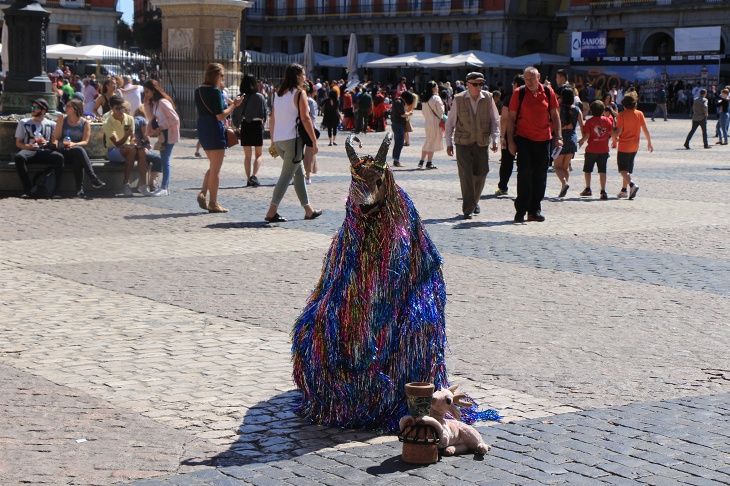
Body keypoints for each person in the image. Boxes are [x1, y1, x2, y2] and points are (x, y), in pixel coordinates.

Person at [264, 63, 322, 223]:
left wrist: (273, 140)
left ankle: (308, 210)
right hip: (293, 141)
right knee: (286, 176)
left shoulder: (279, 94)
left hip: (280, 140)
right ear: (297, 76)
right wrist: (314, 140)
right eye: (303, 74)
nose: (305, 77)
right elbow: (305, 118)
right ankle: (271, 211)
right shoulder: (299, 93)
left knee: (299, 174)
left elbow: (273, 118)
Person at [506, 66, 562, 223]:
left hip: (544, 139)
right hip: (524, 138)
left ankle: (534, 210)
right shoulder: (519, 93)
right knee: (524, 174)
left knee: (540, 176)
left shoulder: (548, 92)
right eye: (526, 79)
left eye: (532, 79)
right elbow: (511, 118)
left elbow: (555, 115)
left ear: (539, 78)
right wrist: (510, 141)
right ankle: (521, 210)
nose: (529, 82)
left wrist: (558, 136)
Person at [444, 72, 500, 220]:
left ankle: (474, 201)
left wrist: (495, 139)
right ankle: (468, 208)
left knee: (482, 173)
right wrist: (448, 143)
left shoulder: (488, 98)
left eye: (481, 84)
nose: (479, 87)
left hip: (481, 142)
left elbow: (495, 120)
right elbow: (449, 123)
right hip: (463, 143)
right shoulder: (459, 99)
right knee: (466, 175)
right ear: (467, 84)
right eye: (475, 84)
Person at [195, 62, 243, 213]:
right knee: (216, 169)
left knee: (213, 165)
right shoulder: (215, 92)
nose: (223, 78)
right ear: (215, 75)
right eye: (222, 75)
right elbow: (221, 115)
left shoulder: (198, 91)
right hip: (214, 128)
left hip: (202, 127)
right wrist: (234, 105)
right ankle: (213, 203)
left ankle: (203, 193)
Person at [14, 98, 65, 198]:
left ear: (43, 111)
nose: (32, 109)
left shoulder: (52, 124)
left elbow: (55, 144)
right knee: (19, 157)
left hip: (44, 151)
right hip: (29, 151)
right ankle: (28, 190)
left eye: (35, 107)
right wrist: (28, 146)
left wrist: (47, 143)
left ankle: (56, 190)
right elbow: (18, 143)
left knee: (59, 157)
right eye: (32, 107)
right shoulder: (23, 122)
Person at [53, 99, 105, 197]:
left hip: (75, 151)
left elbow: (85, 142)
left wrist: (73, 144)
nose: (66, 108)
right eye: (66, 106)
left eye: (69, 106)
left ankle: (79, 190)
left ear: (76, 109)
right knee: (79, 151)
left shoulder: (84, 123)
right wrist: (59, 122)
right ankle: (92, 177)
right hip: (63, 150)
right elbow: (56, 137)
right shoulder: (63, 120)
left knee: (78, 157)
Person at [104, 95, 152, 196]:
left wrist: (139, 144)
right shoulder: (108, 123)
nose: (121, 110)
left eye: (122, 108)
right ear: (111, 108)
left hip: (129, 147)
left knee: (140, 151)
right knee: (131, 150)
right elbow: (117, 143)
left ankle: (143, 185)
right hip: (113, 150)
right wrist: (126, 135)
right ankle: (126, 184)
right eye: (117, 108)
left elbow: (133, 138)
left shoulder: (129, 119)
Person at [612, 92, 653, 199]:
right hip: (635, 145)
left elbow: (619, 131)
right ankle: (624, 190)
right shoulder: (639, 113)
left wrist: (614, 136)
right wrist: (649, 142)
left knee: (622, 170)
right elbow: (645, 129)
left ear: (624, 104)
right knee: (628, 169)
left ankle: (632, 185)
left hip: (624, 145)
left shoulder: (621, 115)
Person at [143, 79, 180, 197]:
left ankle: (164, 187)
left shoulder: (163, 102)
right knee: (164, 158)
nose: (146, 94)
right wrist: (147, 104)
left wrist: (161, 126)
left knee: (165, 159)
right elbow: (150, 118)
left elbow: (174, 118)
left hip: (168, 132)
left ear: (154, 91)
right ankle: (164, 186)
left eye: (147, 92)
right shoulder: (155, 103)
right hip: (162, 133)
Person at [232, 73, 268, 188]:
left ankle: (248, 179)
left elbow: (236, 113)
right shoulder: (260, 97)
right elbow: (264, 112)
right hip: (257, 125)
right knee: (259, 155)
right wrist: (264, 123)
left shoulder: (240, 96)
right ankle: (254, 175)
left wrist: (237, 125)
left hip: (245, 125)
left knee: (247, 156)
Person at [578, 100, 614, 200]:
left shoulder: (589, 122)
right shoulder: (607, 120)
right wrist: (616, 139)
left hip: (591, 149)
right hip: (603, 149)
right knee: (602, 170)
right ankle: (603, 190)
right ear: (603, 110)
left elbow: (587, 135)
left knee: (588, 170)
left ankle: (588, 188)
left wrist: (581, 141)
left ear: (591, 110)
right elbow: (611, 132)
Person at [495, 74, 525, 196]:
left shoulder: (510, 98)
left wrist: (503, 136)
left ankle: (503, 187)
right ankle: (522, 189)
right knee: (523, 163)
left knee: (507, 162)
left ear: (516, 85)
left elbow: (504, 119)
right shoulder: (528, 98)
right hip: (524, 133)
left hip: (510, 134)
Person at [554, 86, 584, 198]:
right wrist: (582, 139)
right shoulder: (577, 109)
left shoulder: (559, 108)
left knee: (557, 166)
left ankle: (564, 183)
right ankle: (563, 187)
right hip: (572, 138)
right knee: (565, 166)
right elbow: (582, 126)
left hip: (561, 138)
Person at [419, 80, 444, 169]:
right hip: (435, 122)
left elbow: (423, 112)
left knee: (428, 141)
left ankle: (422, 160)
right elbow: (441, 111)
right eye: (437, 87)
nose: (438, 88)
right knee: (432, 142)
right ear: (433, 88)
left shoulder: (425, 99)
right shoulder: (436, 98)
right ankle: (429, 162)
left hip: (427, 122)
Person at [390, 91, 414, 168]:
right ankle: (396, 160)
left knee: (398, 142)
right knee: (399, 143)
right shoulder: (399, 102)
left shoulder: (397, 101)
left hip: (397, 124)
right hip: (398, 124)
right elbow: (403, 114)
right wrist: (409, 113)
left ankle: (395, 159)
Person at [303, 79, 319, 184]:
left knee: (305, 152)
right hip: (307, 127)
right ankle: (307, 176)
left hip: (304, 127)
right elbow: (313, 117)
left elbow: (312, 116)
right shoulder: (310, 101)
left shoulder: (307, 100)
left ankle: (306, 175)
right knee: (308, 152)